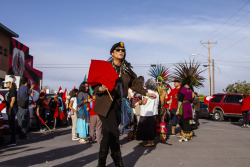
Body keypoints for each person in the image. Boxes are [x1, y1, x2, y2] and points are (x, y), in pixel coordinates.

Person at [92, 42, 156, 167]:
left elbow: (135, 84)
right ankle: (118, 162)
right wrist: (100, 88)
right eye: (118, 50)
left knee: (108, 135)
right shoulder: (105, 67)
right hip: (105, 105)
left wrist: (147, 93)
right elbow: (94, 84)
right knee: (114, 132)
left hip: (119, 105)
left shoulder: (127, 70)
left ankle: (101, 162)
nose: (121, 51)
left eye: (123, 50)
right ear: (112, 53)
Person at [136, 78, 159, 147]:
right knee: (152, 127)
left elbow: (144, 102)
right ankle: (152, 140)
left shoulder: (147, 92)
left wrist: (139, 102)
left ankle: (149, 142)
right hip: (153, 112)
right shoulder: (156, 92)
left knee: (146, 128)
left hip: (146, 112)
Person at [3, 76, 18, 146]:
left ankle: (13, 141)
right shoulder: (11, 89)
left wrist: (9, 109)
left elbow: (13, 100)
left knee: (12, 124)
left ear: (10, 82)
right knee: (11, 124)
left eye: (6, 83)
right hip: (10, 108)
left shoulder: (12, 89)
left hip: (12, 108)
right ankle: (12, 140)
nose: (6, 84)